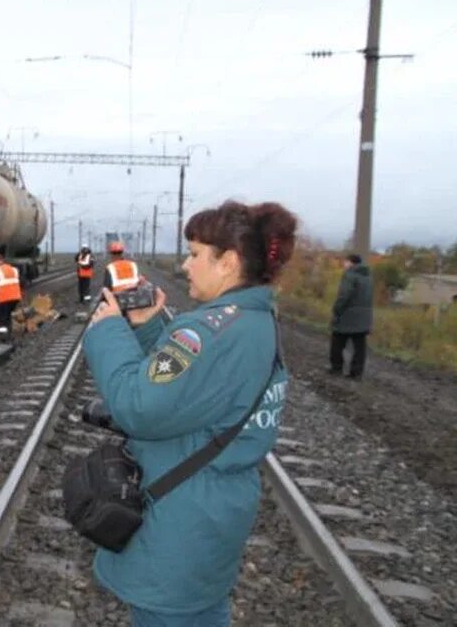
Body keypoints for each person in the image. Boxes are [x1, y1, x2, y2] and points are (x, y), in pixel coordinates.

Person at [84, 200, 297, 626]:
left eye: (196, 254)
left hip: (179, 524)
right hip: (216, 515)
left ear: (228, 263)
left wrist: (108, 330)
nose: (185, 265)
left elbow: (137, 406)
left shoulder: (204, 331)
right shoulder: (255, 323)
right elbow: (198, 388)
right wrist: (149, 327)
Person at [329, 253, 374, 380]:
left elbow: (344, 295)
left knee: (337, 340)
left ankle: (336, 367)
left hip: (348, 315)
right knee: (360, 346)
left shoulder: (349, 276)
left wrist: (336, 309)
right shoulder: (368, 277)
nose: (344, 264)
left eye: (345, 262)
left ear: (351, 263)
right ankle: (357, 372)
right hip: (365, 317)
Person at [0, 253, 22, 334]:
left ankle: (3, 338)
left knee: (1, 320)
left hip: (3, 299)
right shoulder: (13, 269)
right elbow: (21, 283)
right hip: (14, 299)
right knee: (7, 316)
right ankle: (9, 334)